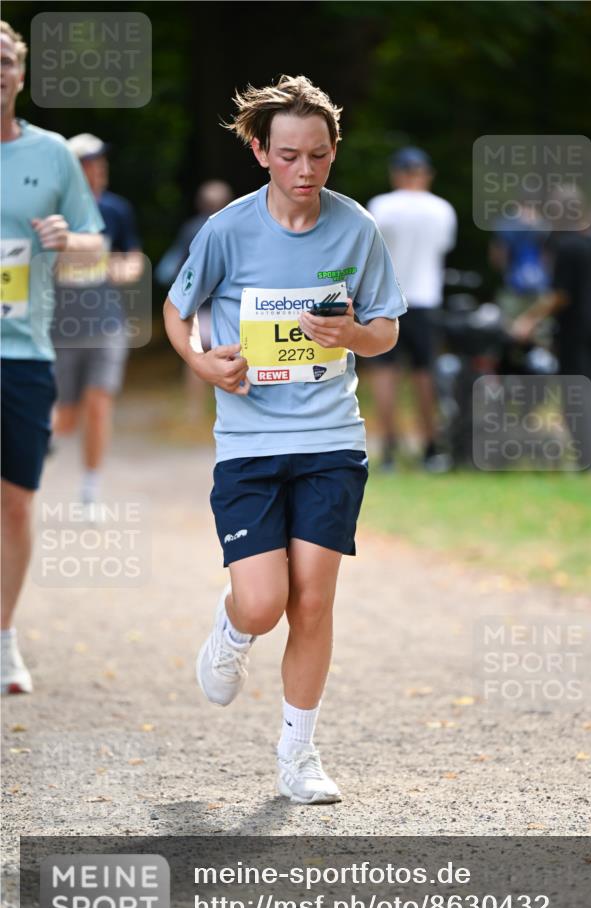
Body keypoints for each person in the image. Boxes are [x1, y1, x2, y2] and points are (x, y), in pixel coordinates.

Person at [163, 75, 406, 804]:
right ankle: (231, 633)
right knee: (263, 602)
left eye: (320, 156)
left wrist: (352, 334)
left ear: (334, 154)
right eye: (291, 156)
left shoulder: (355, 228)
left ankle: (298, 755)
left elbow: (387, 329)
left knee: (312, 602)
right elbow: (178, 313)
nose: (306, 172)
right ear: (262, 152)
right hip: (249, 443)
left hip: (331, 438)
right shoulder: (229, 230)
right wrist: (203, 361)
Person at [0, 22, 103, 694]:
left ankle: (4, 637)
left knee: (14, 502)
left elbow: (97, 249)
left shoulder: (54, 154)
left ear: (21, 73)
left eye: (5, 60)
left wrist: (70, 239)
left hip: (22, 354)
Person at [51, 133, 144, 510]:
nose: (98, 171)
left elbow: (133, 259)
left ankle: (90, 490)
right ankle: (40, 450)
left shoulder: (116, 210)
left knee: (99, 400)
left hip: (107, 324)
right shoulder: (53, 214)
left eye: (101, 164)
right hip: (60, 328)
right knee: (66, 417)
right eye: (89, 164)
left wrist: (118, 268)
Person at [366, 147, 457, 472]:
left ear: (396, 173)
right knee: (424, 374)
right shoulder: (442, 209)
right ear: (425, 174)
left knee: (384, 373)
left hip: (386, 300)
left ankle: (389, 448)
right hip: (425, 299)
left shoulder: (381, 206)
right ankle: (431, 447)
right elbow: (443, 248)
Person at [513, 185, 591, 468]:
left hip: (575, 331)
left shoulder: (568, 247)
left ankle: (590, 458)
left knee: (575, 396)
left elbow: (560, 295)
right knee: (590, 391)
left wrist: (529, 320)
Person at [156, 181, 233, 417]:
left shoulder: (190, 228)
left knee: (197, 357)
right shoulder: (233, 227)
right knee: (231, 355)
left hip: (198, 307)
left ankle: (194, 410)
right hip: (226, 308)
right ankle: (229, 406)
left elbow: (175, 268)